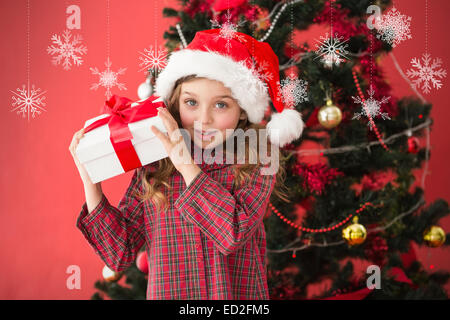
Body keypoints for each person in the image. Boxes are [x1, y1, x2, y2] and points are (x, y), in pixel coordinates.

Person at [69, 28, 304, 299]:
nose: (203, 119)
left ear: (242, 113)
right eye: (191, 102)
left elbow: (231, 234)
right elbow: (119, 253)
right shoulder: (156, 164)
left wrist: (186, 165)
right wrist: (91, 182)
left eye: (221, 105)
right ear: (175, 104)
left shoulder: (258, 160)